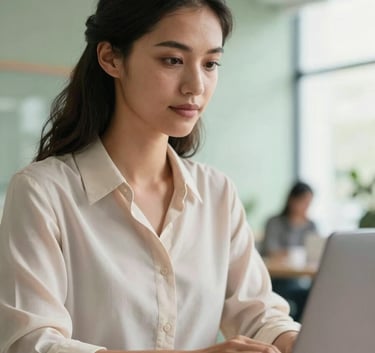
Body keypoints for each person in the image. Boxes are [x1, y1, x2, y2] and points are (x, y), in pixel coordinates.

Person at [0, 1, 300, 353]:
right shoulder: (43, 192)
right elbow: (32, 343)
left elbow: (259, 314)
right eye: (172, 60)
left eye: (210, 64)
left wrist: (313, 341)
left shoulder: (216, 193)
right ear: (111, 58)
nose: (195, 86)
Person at [261, 181, 318, 321]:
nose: (306, 207)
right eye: (303, 202)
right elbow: (270, 250)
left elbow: (315, 253)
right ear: (292, 200)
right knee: (301, 297)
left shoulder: (311, 225)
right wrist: (296, 253)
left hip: (300, 279)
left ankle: (301, 332)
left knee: (314, 295)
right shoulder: (274, 222)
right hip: (276, 279)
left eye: (309, 203)